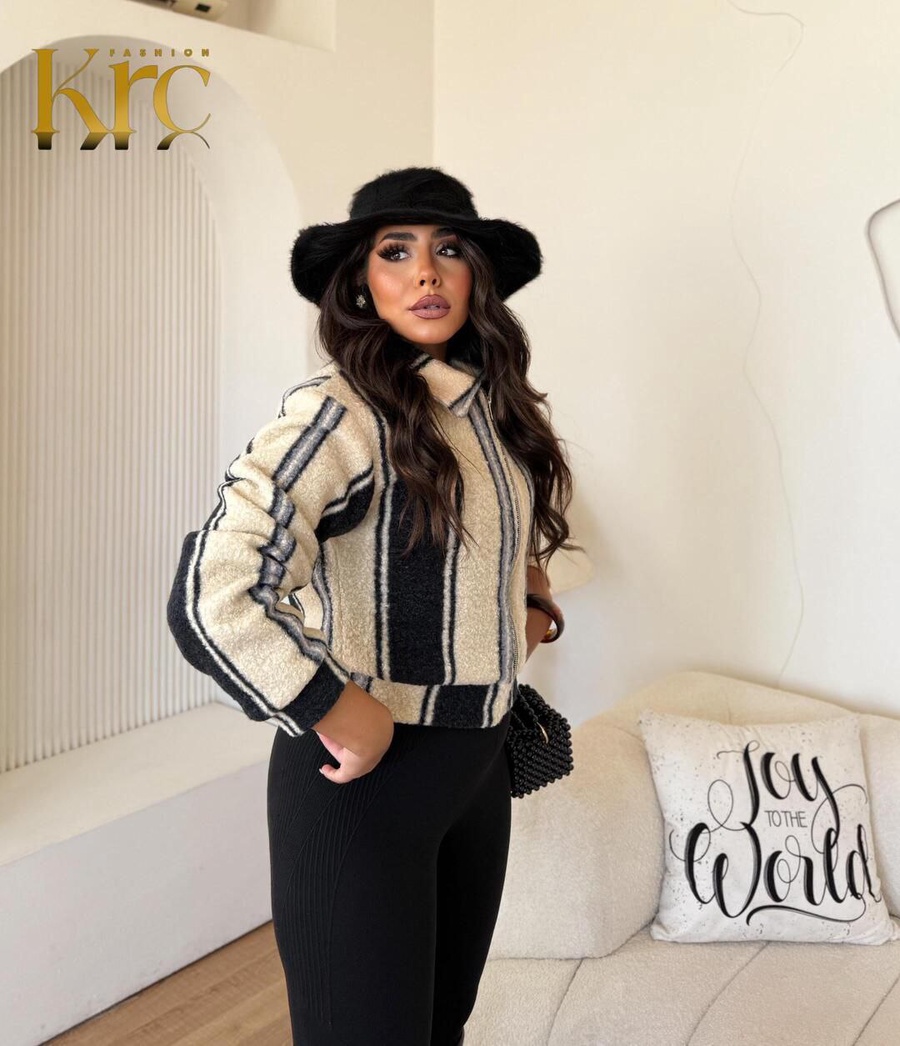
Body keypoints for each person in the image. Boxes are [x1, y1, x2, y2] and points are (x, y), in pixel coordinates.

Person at [166, 166, 581, 1046]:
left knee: (441, 1028)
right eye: (397, 252)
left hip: (475, 775)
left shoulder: (491, 411)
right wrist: (333, 706)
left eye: (449, 249)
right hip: (362, 787)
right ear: (361, 282)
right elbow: (214, 590)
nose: (426, 272)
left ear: (476, 275)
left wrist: (532, 608)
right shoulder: (339, 415)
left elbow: (504, 545)